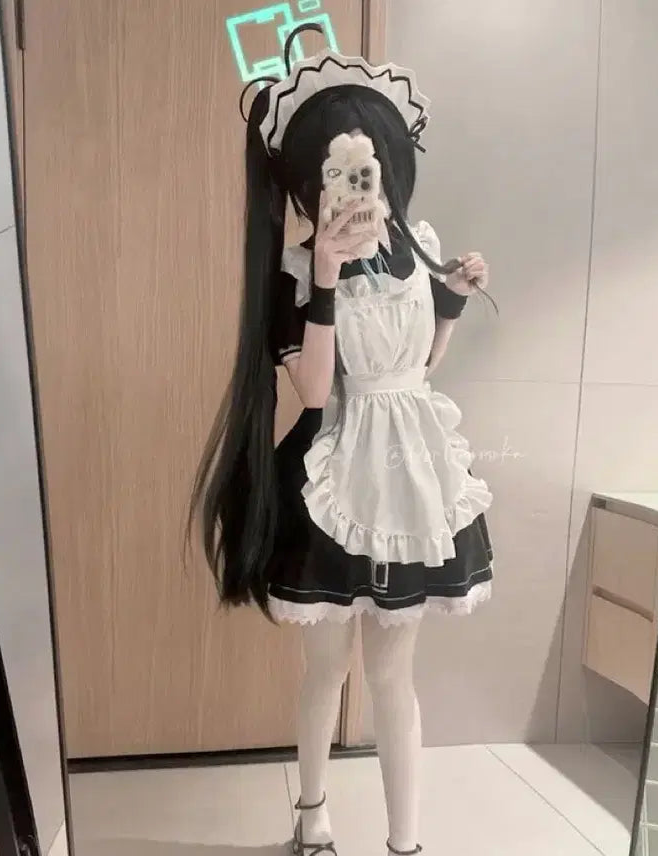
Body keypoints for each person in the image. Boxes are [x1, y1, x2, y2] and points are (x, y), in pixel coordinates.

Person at [192, 35, 495, 856]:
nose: (362, 189)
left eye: (370, 171)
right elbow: (317, 391)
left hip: (412, 474)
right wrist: (323, 276)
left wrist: (453, 297)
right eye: (339, 175)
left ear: (391, 168)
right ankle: (313, 813)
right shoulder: (294, 271)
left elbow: (418, 368)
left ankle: (405, 843)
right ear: (309, 187)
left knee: (393, 674)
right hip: (332, 477)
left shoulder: (417, 246)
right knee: (327, 666)